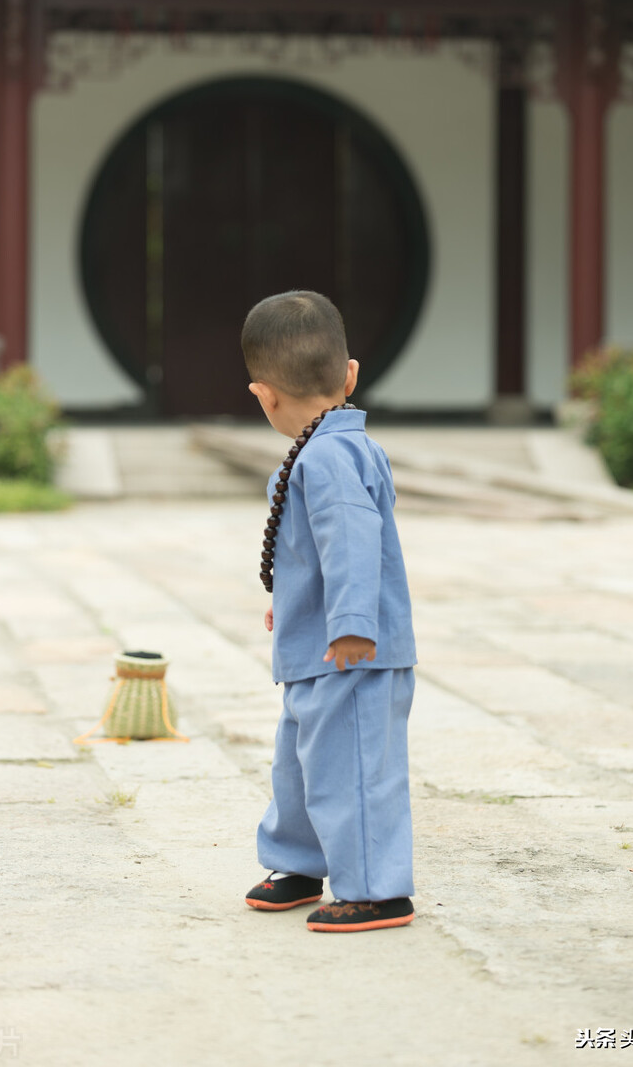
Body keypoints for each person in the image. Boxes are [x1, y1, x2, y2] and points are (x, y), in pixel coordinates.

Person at [240, 290, 417, 932]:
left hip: (353, 654)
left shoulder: (331, 458)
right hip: (316, 650)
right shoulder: (323, 450)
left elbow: (351, 541)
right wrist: (290, 601)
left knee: (354, 769)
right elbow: (315, 553)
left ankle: (376, 887)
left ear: (264, 395)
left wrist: (349, 623)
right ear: (350, 375)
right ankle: (298, 862)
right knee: (300, 764)